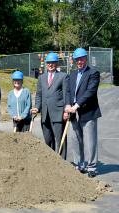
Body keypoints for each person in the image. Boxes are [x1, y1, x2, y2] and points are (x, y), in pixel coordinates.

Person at [66, 48, 101, 178]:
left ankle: (92, 167)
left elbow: (90, 92)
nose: (79, 61)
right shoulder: (72, 74)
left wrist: (77, 105)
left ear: (86, 59)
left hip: (88, 112)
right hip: (73, 113)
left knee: (89, 140)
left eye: (81, 59)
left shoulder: (93, 73)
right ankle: (79, 164)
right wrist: (68, 105)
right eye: (77, 59)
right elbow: (68, 91)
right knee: (75, 139)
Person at [31, 52, 70, 159]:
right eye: (49, 62)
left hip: (58, 113)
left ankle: (62, 162)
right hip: (45, 114)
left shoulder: (63, 76)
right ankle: (51, 162)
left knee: (60, 139)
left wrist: (66, 111)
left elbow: (66, 94)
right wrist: (37, 107)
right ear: (46, 63)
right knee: (48, 139)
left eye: (53, 62)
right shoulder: (41, 78)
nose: (51, 65)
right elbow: (39, 95)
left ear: (57, 64)